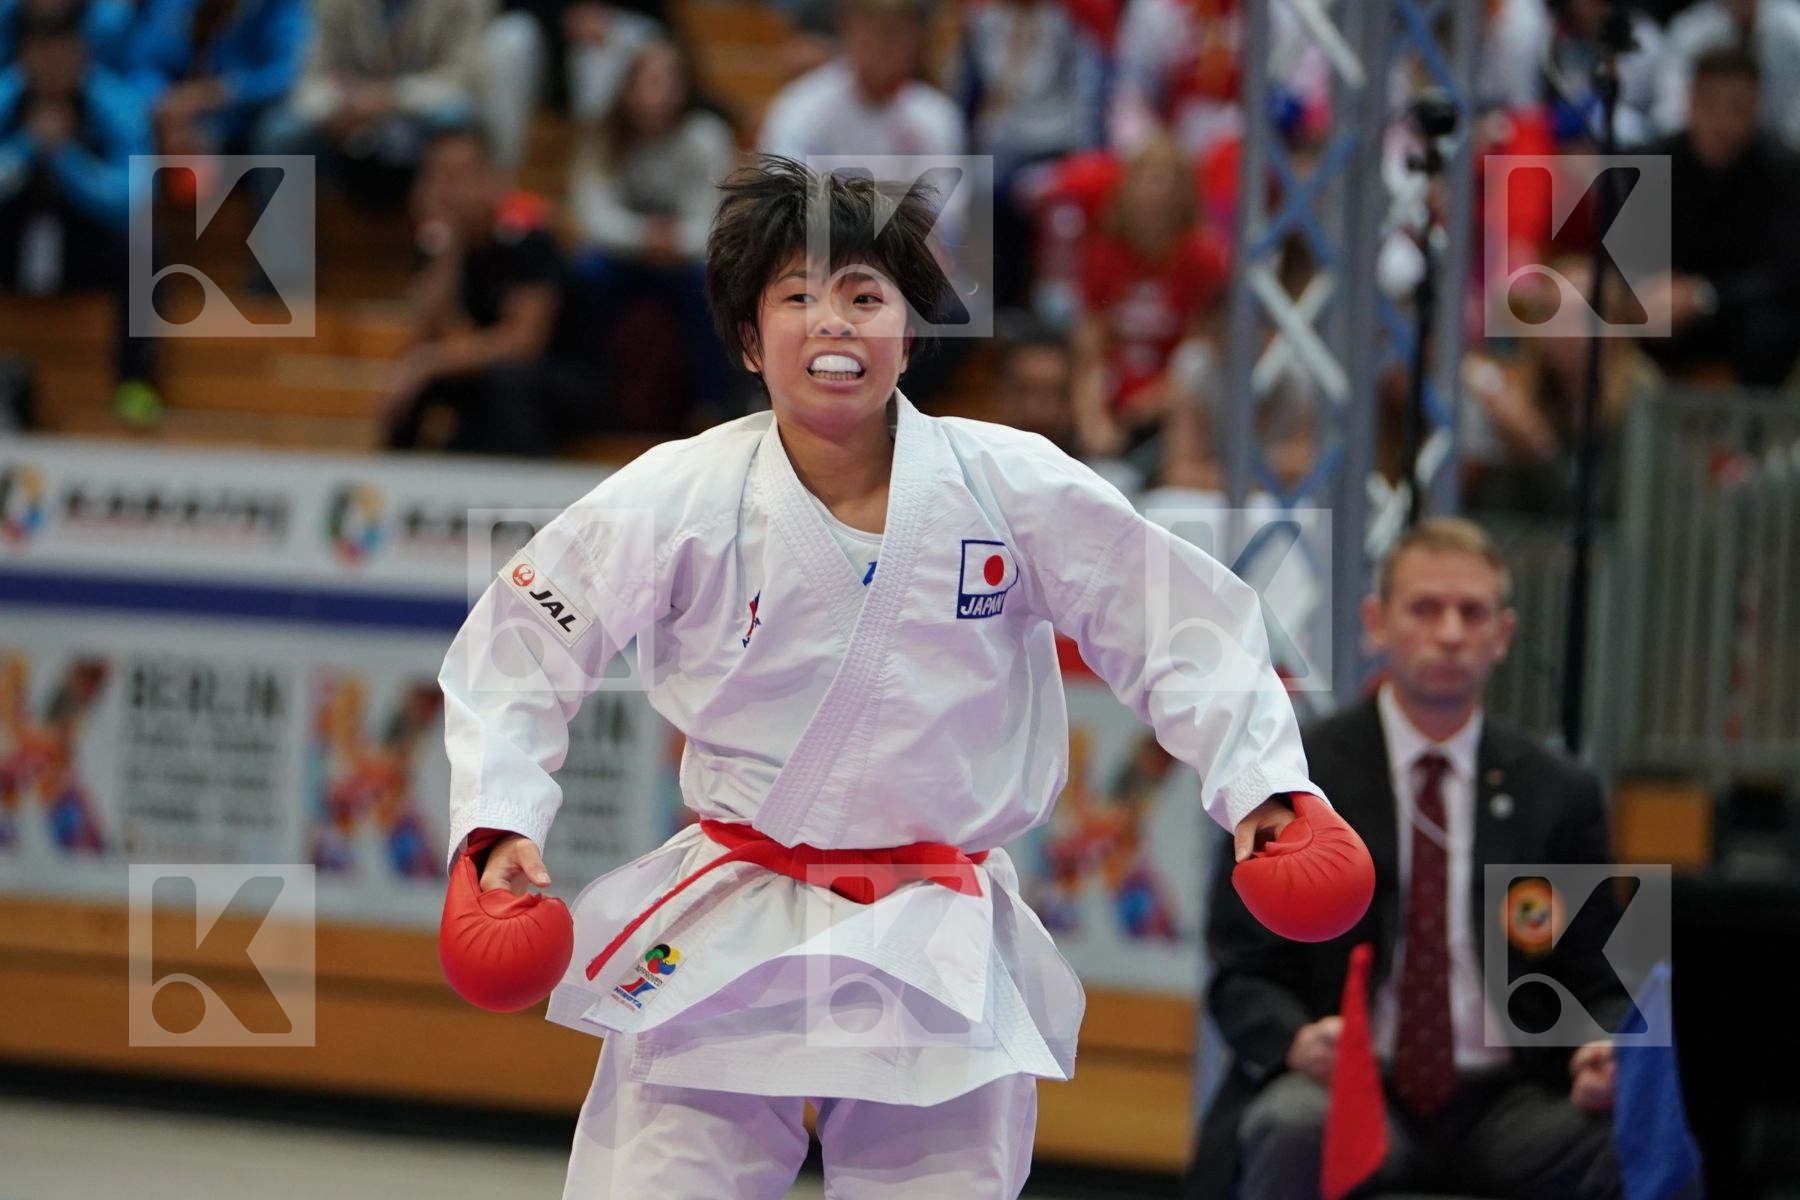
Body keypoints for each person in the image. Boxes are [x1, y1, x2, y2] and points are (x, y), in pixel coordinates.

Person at [437, 155, 1370, 1197]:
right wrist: (497, 826)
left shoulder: (1007, 483)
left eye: (864, 296)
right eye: (796, 298)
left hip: (936, 926)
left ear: (910, 332)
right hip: (736, 908)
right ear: (749, 340)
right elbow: (520, 643)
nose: (832, 322)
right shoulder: (680, 492)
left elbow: (1178, 628)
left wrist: (1266, 789)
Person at [1184, 517, 1634, 1200]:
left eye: (1472, 612)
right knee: (1289, 1126)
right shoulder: (1295, 777)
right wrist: (1297, 1040)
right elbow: (1239, 969)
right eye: (1425, 608)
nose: (1450, 632)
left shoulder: (1560, 790)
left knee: (1632, 1137)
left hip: (1507, 1096)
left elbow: (1602, 976)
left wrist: (1602, 1049)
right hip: (1349, 1086)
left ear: (1502, 635)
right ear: (1376, 624)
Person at [382, 126, 602, 456]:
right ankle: (395, 484)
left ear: (492, 179)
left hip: (572, 378)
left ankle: (523, 494)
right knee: (422, 387)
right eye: (437, 175)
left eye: (459, 175)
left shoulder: (529, 239)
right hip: (504, 377)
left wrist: (427, 362)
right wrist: (449, 248)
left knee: (505, 381)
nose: (447, 188)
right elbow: (426, 332)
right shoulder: (444, 246)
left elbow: (524, 342)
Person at [0, 0, 158, 422]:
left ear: (81, 55)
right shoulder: (5, 97)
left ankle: (134, 384)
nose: (52, 66)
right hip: (13, 242)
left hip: (80, 247)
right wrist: (29, 148)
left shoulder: (116, 105)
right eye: (42, 54)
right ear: (25, 56)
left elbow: (135, 196)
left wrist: (67, 159)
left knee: (145, 249)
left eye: (63, 54)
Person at [569, 38, 737, 424]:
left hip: (686, 260)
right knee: (582, 277)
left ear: (687, 86)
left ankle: (711, 404)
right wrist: (646, 237)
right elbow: (593, 216)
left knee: (715, 289)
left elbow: (715, 220)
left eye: (669, 79)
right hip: (622, 257)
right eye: (648, 79)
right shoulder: (603, 137)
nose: (658, 91)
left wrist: (673, 241)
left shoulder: (706, 136)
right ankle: (592, 392)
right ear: (627, 86)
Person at [1638, 45, 1800, 388]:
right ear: (1691, 102)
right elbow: (1622, 260)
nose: (1722, 123)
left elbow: (1783, 275)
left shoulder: (1783, 169)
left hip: (1739, 315)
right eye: (1712, 106)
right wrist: (1648, 294)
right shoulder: (1654, 163)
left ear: (1756, 108)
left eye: (1737, 109)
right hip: (1663, 313)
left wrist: (1702, 295)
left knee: (1770, 329)